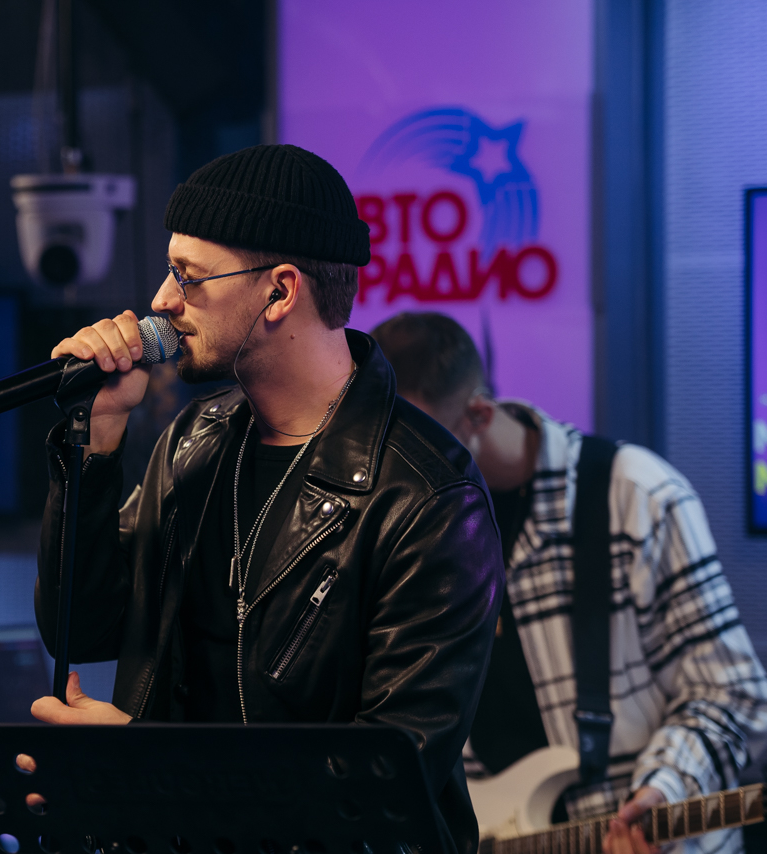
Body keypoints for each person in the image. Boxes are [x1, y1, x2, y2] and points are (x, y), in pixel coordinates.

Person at [29, 144, 506, 854]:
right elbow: (84, 629)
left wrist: (145, 769)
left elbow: (376, 784)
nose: (161, 300)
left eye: (187, 276)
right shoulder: (194, 440)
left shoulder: (426, 497)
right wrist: (95, 441)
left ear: (280, 292)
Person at [370, 312, 767, 854]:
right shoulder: (405, 529)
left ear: (479, 414)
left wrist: (666, 788)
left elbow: (733, 695)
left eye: (419, 446)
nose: (398, 468)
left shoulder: (636, 496)